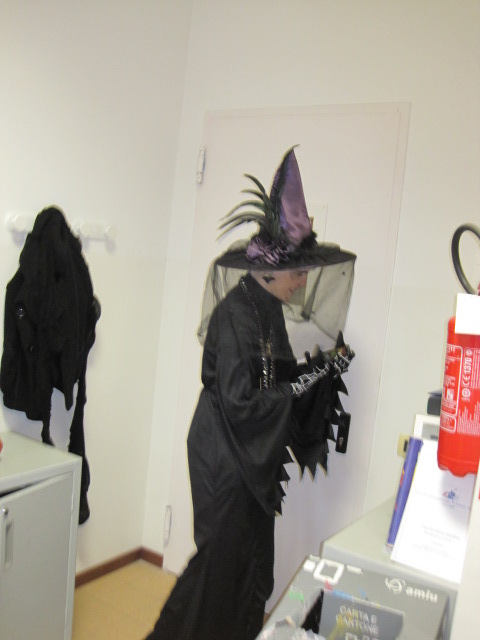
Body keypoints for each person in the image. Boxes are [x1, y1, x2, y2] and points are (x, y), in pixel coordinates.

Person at [145, 147, 356, 640]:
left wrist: (323, 370)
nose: (303, 282)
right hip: (223, 454)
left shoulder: (267, 309)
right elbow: (244, 402)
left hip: (250, 455)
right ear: (271, 270)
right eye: (298, 272)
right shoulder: (234, 315)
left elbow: (278, 380)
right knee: (219, 563)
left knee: (252, 561)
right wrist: (304, 380)